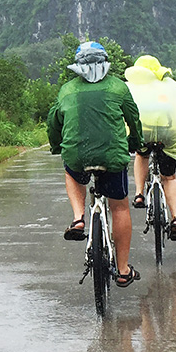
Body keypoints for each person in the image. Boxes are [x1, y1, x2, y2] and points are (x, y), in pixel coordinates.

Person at [48, 41, 143, 287]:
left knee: (71, 172)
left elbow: (53, 122)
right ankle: (123, 270)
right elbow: (134, 119)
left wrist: (58, 147)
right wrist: (134, 143)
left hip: (78, 157)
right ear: (105, 62)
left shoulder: (67, 90)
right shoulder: (118, 87)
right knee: (120, 207)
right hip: (112, 157)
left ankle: (79, 217)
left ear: (77, 66)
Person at [125, 55, 176, 241]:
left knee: (141, 155)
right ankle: (175, 219)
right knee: (169, 177)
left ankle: (140, 194)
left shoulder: (132, 88)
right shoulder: (169, 87)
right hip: (169, 134)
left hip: (144, 134)